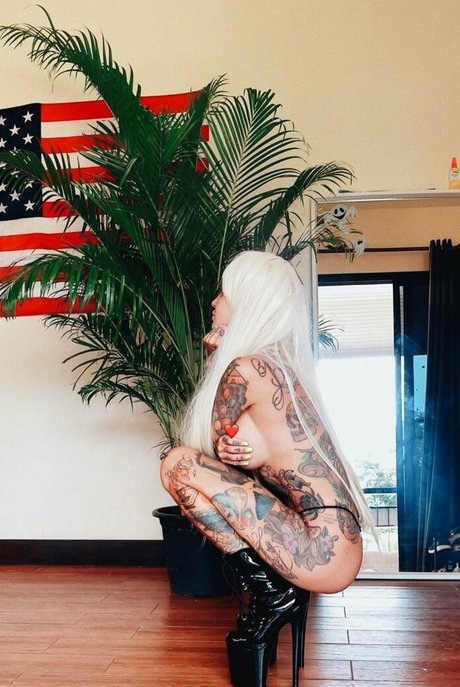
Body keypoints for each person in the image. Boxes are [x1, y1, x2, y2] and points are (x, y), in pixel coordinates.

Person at [160, 250, 374, 687]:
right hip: (333, 540)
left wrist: (214, 354)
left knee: (177, 463)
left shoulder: (246, 367)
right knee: (187, 464)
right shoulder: (278, 367)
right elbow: (246, 457)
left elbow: (208, 456)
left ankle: (270, 593)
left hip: (319, 546)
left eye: (224, 293)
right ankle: (271, 592)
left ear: (246, 300)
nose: (215, 302)